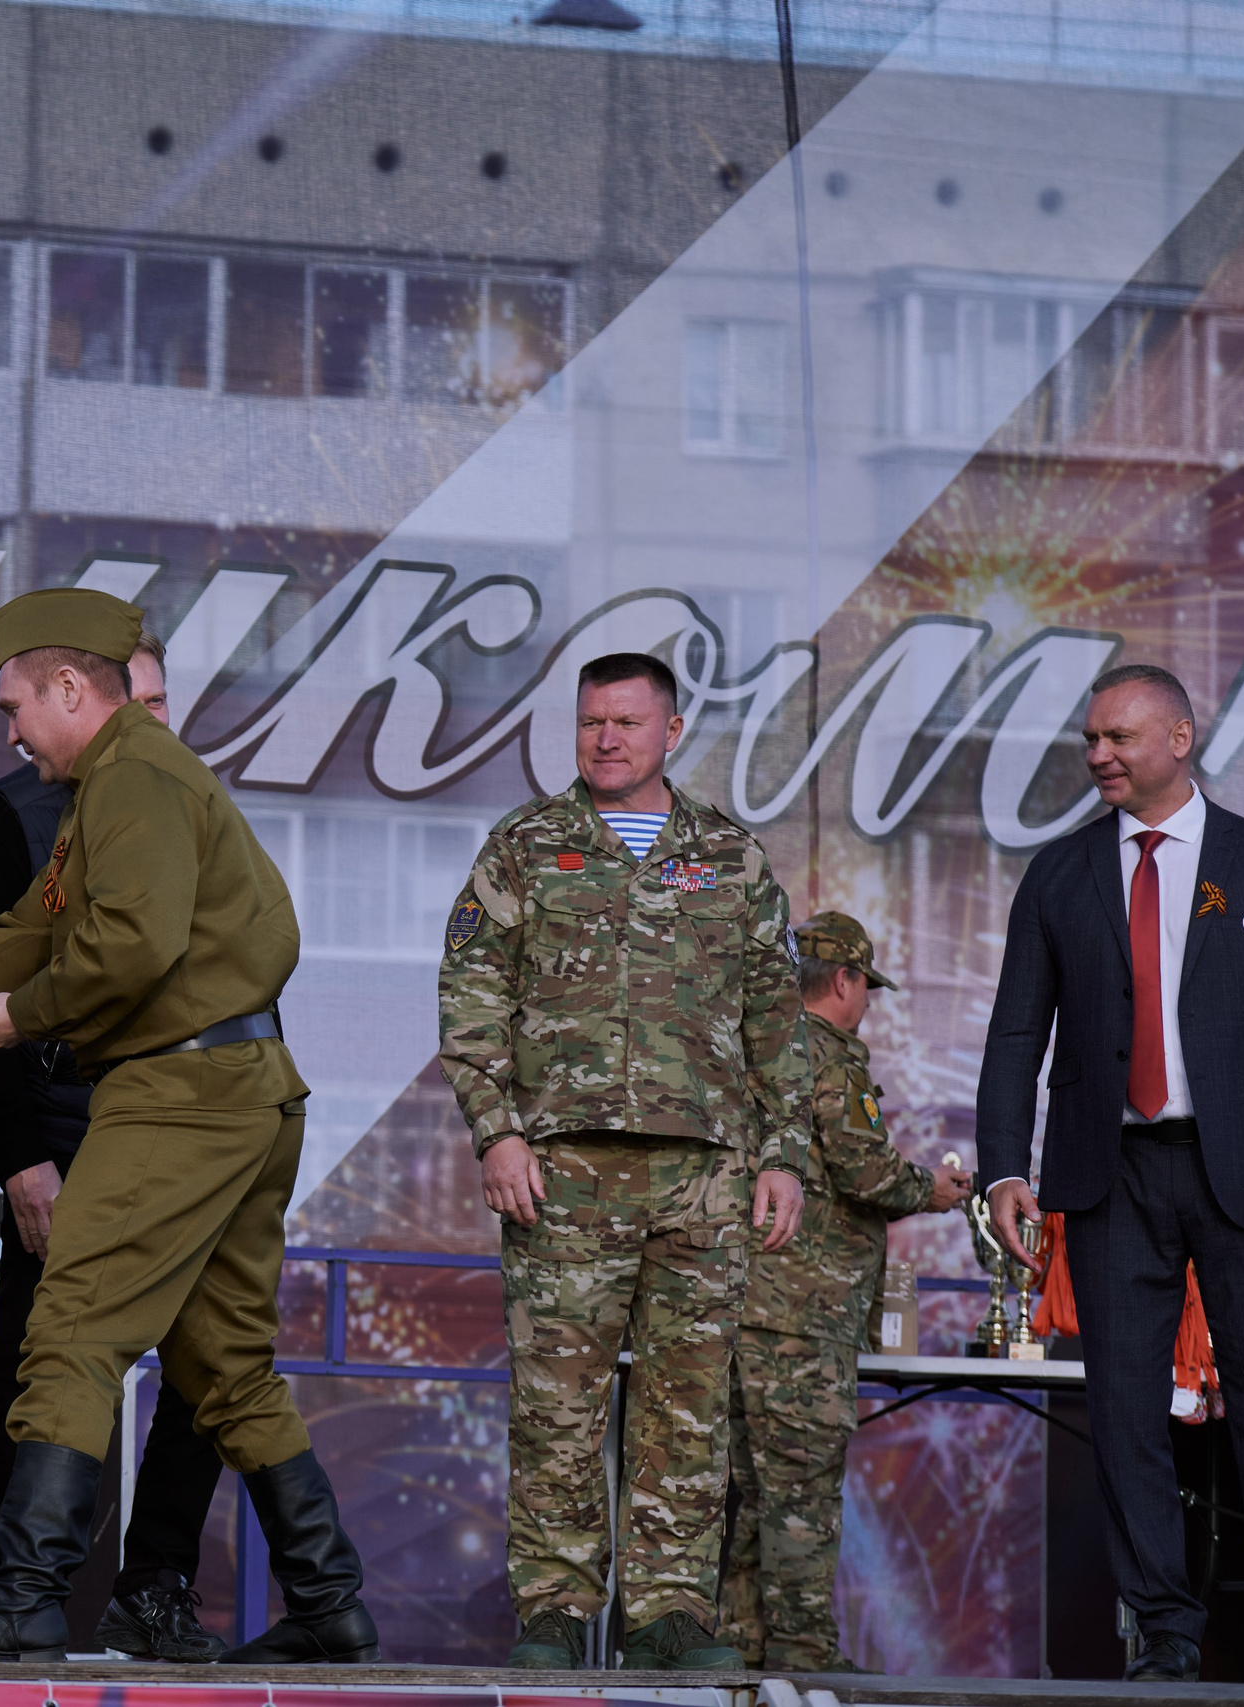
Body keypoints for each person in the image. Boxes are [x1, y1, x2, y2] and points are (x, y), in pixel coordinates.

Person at [0, 585, 379, 1667]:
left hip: (179, 1096)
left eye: (14, 702)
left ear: (71, 688)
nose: (6, 726)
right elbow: (21, 932)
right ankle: (328, 1601)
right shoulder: (125, 782)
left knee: (69, 1331)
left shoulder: (137, 780)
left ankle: (25, 1596)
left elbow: (130, 948)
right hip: (237, 1090)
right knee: (226, 1369)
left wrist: (27, 1015)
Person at [437, 650, 809, 1673]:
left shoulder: (730, 859)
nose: (606, 738)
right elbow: (471, 1002)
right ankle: (554, 1614)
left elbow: (779, 1025)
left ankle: (668, 1617)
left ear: (671, 733)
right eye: (591, 721)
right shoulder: (524, 847)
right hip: (561, 1173)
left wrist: (782, 1158)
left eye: (627, 723)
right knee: (557, 1403)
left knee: (687, 1408)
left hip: (704, 1178)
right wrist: (496, 1131)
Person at [975, 662, 1244, 1686]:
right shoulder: (1058, 873)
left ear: (1178, 739)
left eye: (1118, 738)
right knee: (1125, 1410)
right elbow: (1013, 1034)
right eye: (1089, 740)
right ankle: (1163, 1631)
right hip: (1105, 1177)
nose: (1097, 756)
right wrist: (1003, 1167)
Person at [0, 629, 227, 1663]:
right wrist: (21, 1157)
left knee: (208, 1368)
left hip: (193, 1136)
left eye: (159, 706)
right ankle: (25, 1599)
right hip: (65, 1139)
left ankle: (151, 1586)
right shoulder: (13, 814)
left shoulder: (200, 811)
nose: (144, 724)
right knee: (40, 1369)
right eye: (131, 705)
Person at [719, 912, 971, 1673]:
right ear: (844, 979)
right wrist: (929, 1187)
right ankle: (803, 1659)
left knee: (748, 1495)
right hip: (804, 1311)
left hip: (744, 1306)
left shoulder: (750, 1051)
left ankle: (739, 1660)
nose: (866, 1001)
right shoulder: (825, 1053)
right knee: (799, 1492)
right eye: (867, 985)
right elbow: (863, 1170)